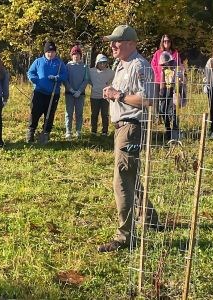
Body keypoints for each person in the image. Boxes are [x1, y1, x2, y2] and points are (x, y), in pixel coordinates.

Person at [98, 25, 160, 252]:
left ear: (132, 43)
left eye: (117, 42)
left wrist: (119, 95)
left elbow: (150, 98)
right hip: (121, 127)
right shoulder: (120, 65)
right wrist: (113, 94)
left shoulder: (139, 65)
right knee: (130, 174)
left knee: (121, 180)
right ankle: (151, 217)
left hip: (131, 128)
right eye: (112, 41)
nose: (112, 45)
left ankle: (125, 236)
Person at [27, 41, 67, 143]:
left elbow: (65, 75)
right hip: (39, 92)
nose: (50, 54)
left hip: (53, 94)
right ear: (45, 52)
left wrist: (57, 78)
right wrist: (36, 80)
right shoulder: (38, 61)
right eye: (48, 52)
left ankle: (45, 133)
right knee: (35, 113)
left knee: (49, 114)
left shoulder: (59, 63)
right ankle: (31, 133)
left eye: (53, 52)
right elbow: (30, 73)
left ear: (55, 52)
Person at [151, 35, 180, 116]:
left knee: (170, 98)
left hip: (171, 81)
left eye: (168, 41)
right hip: (158, 80)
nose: (166, 43)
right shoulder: (158, 53)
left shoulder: (175, 53)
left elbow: (178, 65)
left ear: (171, 42)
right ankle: (157, 117)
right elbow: (153, 65)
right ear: (162, 42)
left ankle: (169, 116)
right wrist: (158, 75)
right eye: (164, 41)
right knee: (157, 98)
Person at [64, 45, 89, 139]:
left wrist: (79, 91)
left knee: (79, 113)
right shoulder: (68, 66)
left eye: (78, 54)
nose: (76, 56)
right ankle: (68, 131)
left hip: (80, 94)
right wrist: (70, 89)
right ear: (71, 55)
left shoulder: (84, 66)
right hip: (69, 94)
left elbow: (86, 80)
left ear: (80, 55)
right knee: (69, 113)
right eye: (74, 54)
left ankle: (78, 130)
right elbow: (65, 79)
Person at [88, 54, 114, 136]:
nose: (102, 65)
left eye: (104, 63)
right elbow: (88, 80)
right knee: (94, 114)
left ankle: (105, 131)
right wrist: (93, 85)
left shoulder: (111, 72)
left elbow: (113, 81)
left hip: (105, 97)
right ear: (97, 63)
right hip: (94, 96)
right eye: (100, 63)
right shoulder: (91, 71)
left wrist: (108, 85)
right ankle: (93, 131)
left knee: (105, 114)